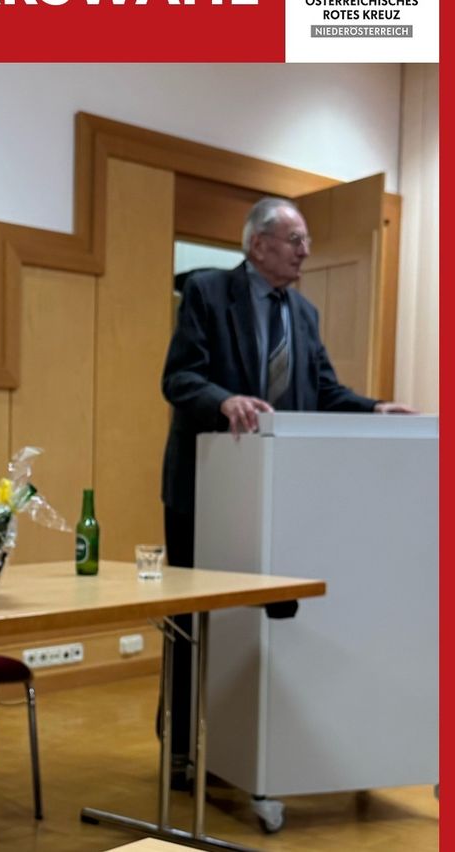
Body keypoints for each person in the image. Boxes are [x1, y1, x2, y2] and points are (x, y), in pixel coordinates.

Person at [159, 197, 415, 781]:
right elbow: (178, 377)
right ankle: (179, 748)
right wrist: (224, 400)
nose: (306, 250)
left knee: (270, 616)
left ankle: (254, 747)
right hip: (204, 490)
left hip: (279, 497)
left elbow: (322, 391)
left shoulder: (303, 312)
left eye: (306, 240)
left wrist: (375, 409)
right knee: (191, 620)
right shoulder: (207, 293)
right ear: (258, 244)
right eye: (295, 239)